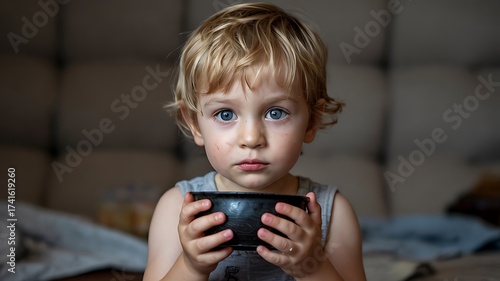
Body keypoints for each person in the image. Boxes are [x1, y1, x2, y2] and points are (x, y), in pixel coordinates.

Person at [144, 3, 366, 280]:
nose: (251, 139)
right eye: (225, 114)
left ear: (311, 122)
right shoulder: (178, 208)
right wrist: (190, 266)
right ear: (194, 124)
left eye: (276, 113)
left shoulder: (333, 214)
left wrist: (312, 266)